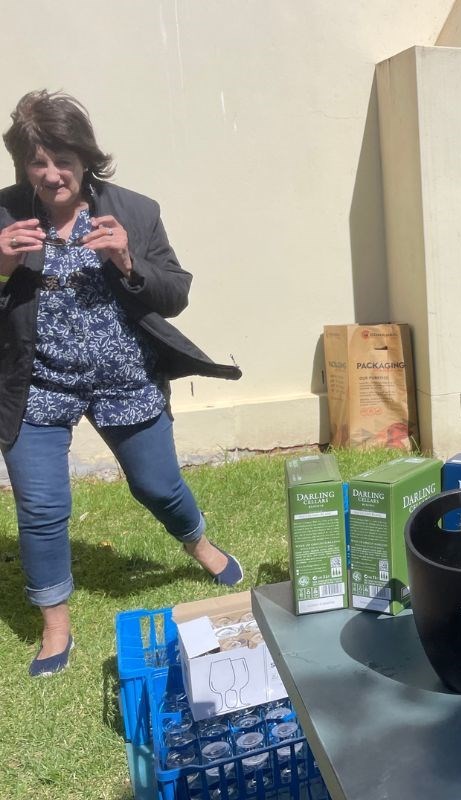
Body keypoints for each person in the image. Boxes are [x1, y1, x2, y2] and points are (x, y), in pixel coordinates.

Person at [0, 91, 243, 676]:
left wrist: (128, 261)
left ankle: (199, 543)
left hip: (124, 378)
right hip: (37, 384)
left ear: (86, 158)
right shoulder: (4, 215)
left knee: (158, 486)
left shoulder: (134, 210)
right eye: (37, 162)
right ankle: (55, 626)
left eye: (63, 160)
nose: (51, 175)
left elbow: (175, 292)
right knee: (41, 505)